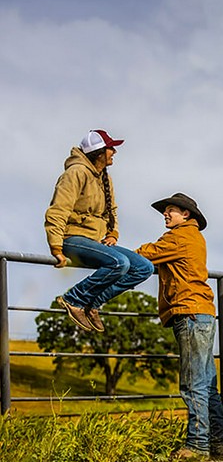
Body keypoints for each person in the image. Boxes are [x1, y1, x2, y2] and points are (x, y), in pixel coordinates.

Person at [136, 193, 223, 461]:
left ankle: (198, 445)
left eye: (171, 210)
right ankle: (217, 442)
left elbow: (147, 254)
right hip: (203, 313)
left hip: (188, 312)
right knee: (207, 382)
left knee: (193, 382)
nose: (166, 214)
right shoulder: (195, 237)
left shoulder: (179, 237)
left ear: (186, 214)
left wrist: (116, 257)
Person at [45, 129, 154, 332]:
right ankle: (73, 299)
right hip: (71, 237)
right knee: (119, 262)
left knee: (144, 267)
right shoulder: (75, 173)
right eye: (111, 148)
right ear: (100, 152)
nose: (114, 152)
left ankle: (92, 304)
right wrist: (56, 247)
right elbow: (58, 209)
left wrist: (113, 233)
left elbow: (111, 210)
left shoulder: (105, 178)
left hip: (94, 242)